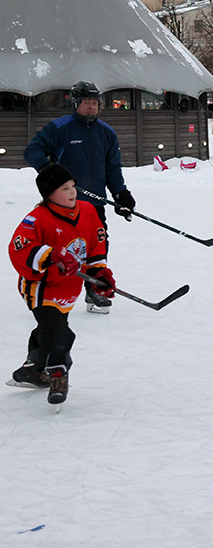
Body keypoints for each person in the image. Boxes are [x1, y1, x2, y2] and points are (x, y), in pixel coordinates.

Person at [8, 164, 116, 405]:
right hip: (41, 286)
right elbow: (18, 248)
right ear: (49, 195)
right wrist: (50, 254)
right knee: (58, 332)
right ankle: (58, 376)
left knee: (49, 330)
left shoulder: (87, 211)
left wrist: (99, 275)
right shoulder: (36, 219)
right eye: (64, 188)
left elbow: (96, 245)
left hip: (69, 287)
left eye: (73, 187)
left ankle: (33, 369)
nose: (72, 192)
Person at [24, 81, 134, 314]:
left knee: (98, 246)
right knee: (62, 247)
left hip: (94, 204)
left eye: (95, 103)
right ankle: (50, 289)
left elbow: (113, 168)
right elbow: (32, 150)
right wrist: (49, 170)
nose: (91, 107)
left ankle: (94, 289)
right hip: (64, 204)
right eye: (86, 102)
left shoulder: (107, 132)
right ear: (76, 103)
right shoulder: (60, 128)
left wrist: (120, 194)